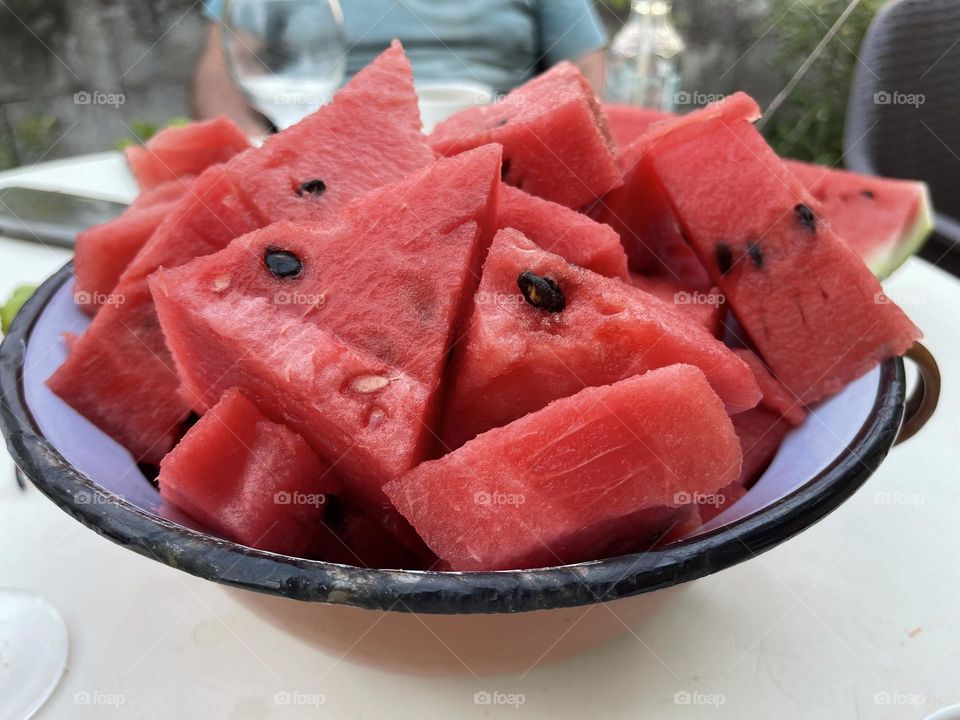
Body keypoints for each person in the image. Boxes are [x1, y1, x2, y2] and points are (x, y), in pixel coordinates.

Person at [193, 0, 608, 136]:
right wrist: (259, 152)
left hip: (494, 140)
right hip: (334, 138)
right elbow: (223, 71)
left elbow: (586, 65)